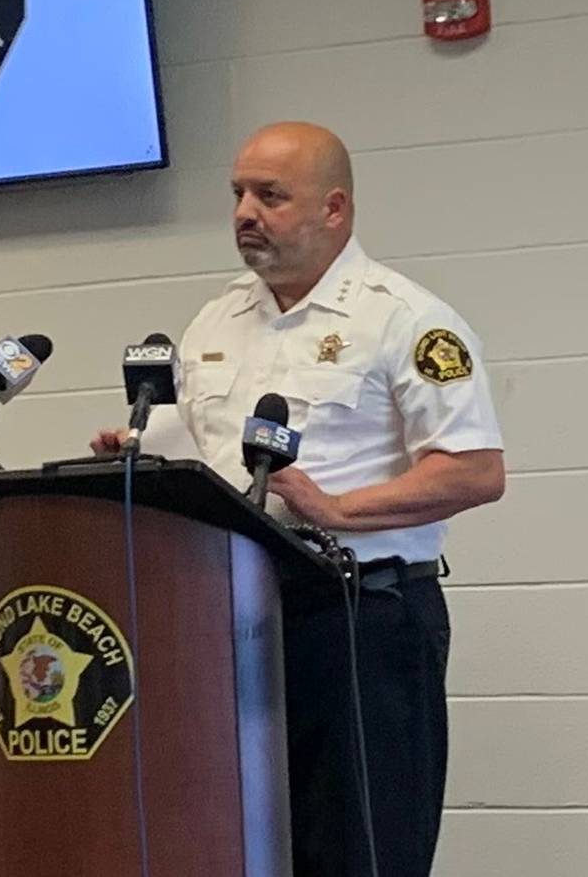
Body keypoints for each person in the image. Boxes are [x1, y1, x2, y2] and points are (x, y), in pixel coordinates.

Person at [91, 122, 505, 877]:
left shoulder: (405, 320)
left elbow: (474, 469)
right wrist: (141, 457)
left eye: (271, 195)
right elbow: (210, 455)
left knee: (359, 851)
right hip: (232, 625)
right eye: (238, 194)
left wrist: (338, 509)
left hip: (360, 619)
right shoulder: (216, 321)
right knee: (240, 846)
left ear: (335, 210)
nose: (246, 211)